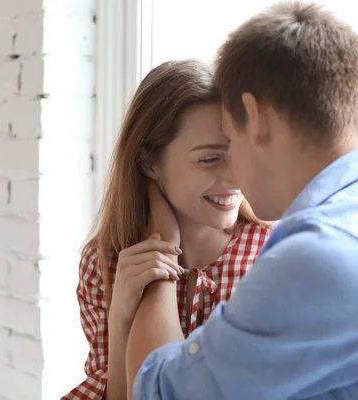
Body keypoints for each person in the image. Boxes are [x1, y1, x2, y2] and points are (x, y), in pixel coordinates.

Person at [125, 2, 358, 399]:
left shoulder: (323, 255)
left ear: (257, 117)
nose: (232, 170)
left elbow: (158, 393)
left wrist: (162, 245)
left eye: (230, 139)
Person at [62, 59, 273, 400]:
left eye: (238, 153)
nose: (235, 178)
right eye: (209, 159)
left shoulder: (272, 255)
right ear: (149, 163)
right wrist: (120, 321)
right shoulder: (104, 263)